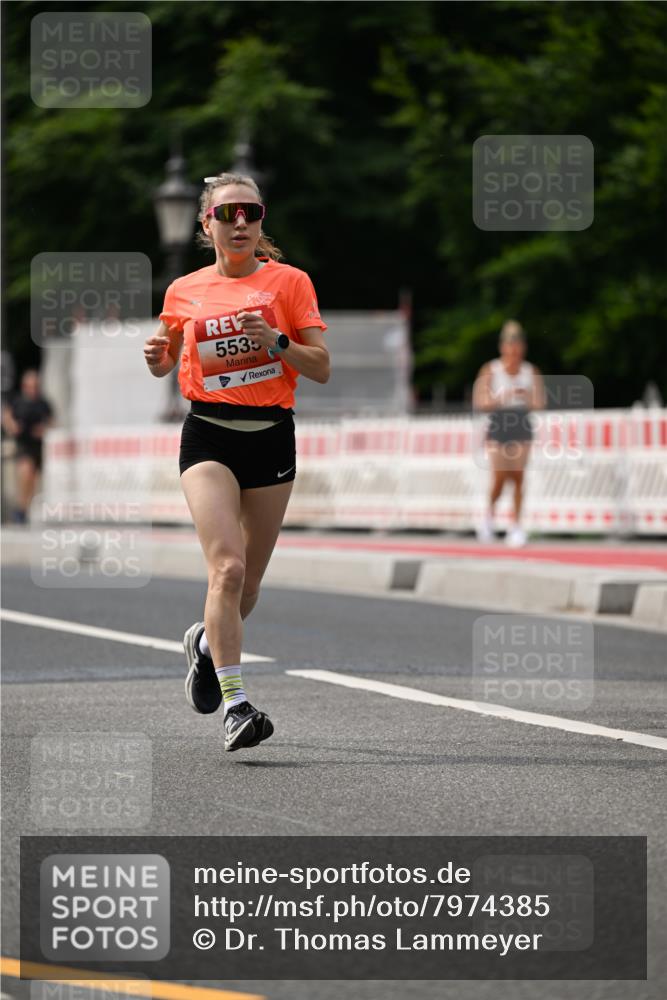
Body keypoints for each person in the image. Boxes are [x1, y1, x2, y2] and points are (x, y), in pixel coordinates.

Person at [144, 172, 329, 752]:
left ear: (261, 220)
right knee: (225, 569)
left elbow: (320, 366)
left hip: (271, 438)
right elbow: (164, 361)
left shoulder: (289, 283)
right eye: (229, 214)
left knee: (246, 586)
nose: (241, 222)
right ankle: (237, 705)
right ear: (209, 225)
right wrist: (156, 356)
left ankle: (203, 645)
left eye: (251, 211)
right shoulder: (184, 290)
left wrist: (275, 341)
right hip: (208, 437)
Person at [473, 321, 544, 547]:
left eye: (518, 345)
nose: (514, 350)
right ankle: (489, 518)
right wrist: (503, 396)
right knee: (500, 476)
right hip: (499, 423)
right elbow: (481, 402)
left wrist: (524, 397)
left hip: (520, 422)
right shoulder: (490, 370)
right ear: (503, 347)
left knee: (518, 476)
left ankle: (516, 526)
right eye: (510, 344)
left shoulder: (530, 371)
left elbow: (540, 403)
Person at [1, 368, 54, 524]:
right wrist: (12, 426)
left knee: (32, 482)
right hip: (23, 445)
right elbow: (6, 416)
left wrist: (43, 429)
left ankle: (23, 510)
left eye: (36, 386)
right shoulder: (17, 401)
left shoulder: (43, 403)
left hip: (38, 447)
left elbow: (51, 422)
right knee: (26, 473)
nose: (33, 389)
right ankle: (21, 510)